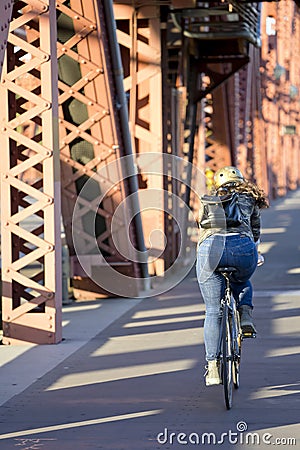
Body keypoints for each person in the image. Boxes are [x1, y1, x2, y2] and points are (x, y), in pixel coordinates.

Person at [196, 166, 269, 386]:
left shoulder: (209, 200)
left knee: (212, 311)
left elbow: (202, 229)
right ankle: (245, 314)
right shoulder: (249, 199)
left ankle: (212, 368)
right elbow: (255, 232)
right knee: (242, 279)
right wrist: (255, 253)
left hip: (211, 250)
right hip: (242, 247)